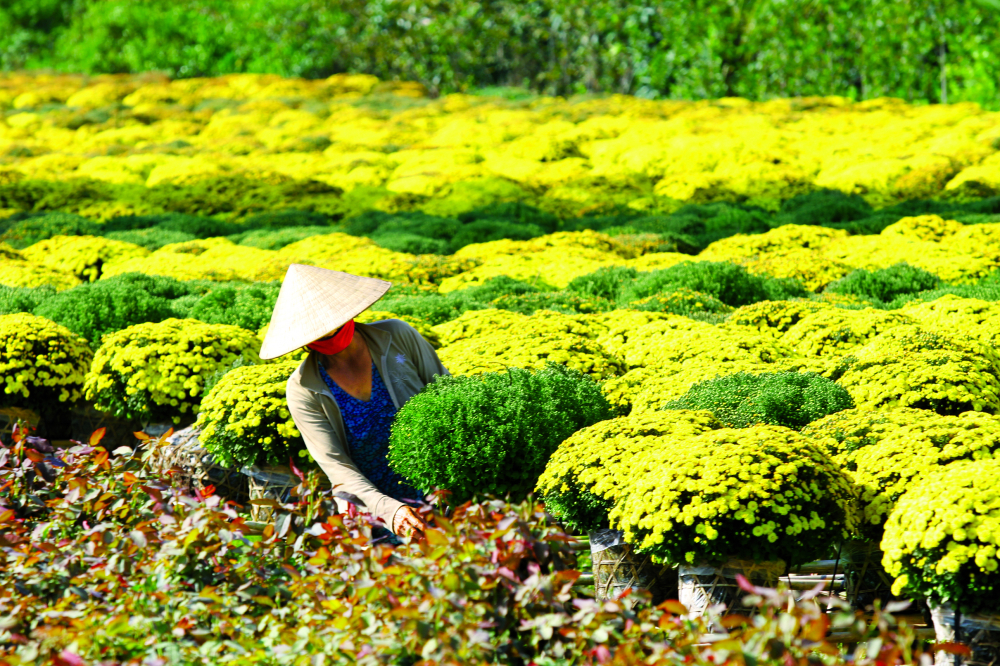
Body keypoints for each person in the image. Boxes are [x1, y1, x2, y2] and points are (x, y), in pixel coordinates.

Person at [259, 264, 449, 538]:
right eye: (317, 333)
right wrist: (390, 511)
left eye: (331, 325)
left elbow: (447, 393)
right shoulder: (303, 389)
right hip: (372, 507)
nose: (328, 336)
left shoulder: (397, 337)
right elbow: (338, 468)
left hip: (441, 484)